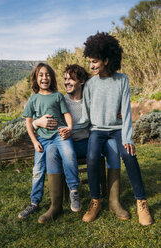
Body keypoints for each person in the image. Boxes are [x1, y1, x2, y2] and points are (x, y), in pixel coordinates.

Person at [34, 64, 129, 224]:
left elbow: (107, 110)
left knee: (112, 145)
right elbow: (47, 122)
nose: (67, 82)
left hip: (92, 142)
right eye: (65, 79)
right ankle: (55, 206)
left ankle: (114, 202)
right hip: (70, 145)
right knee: (51, 150)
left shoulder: (91, 97)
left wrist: (117, 112)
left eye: (71, 79)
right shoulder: (60, 100)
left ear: (82, 81)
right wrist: (37, 122)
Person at [80, 32, 152, 226]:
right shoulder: (89, 85)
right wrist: (72, 129)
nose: (91, 66)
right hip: (97, 130)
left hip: (118, 129)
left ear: (106, 60)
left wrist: (128, 137)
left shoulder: (122, 80)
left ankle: (141, 202)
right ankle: (95, 201)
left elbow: (126, 112)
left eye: (94, 62)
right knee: (93, 156)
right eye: (89, 62)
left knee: (129, 154)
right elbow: (85, 115)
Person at [18, 63, 81, 221]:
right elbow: (28, 122)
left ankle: (73, 190)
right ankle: (34, 202)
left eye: (47, 75)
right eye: (41, 75)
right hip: (42, 139)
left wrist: (70, 127)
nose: (44, 77)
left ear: (51, 78)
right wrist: (34, 141)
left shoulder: (57, 96)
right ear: (36, 78)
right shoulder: (33, 99)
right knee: (37, 170)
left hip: (60, 135)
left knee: (69, 153)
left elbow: (66, 114)